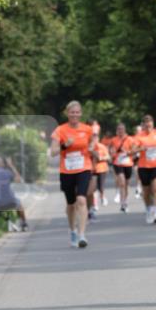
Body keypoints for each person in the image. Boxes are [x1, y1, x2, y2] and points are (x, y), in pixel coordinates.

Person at [49, 101, 96, 248]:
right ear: (67, 113)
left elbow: (93, 143)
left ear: (81, 113)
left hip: (83, 168)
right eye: (72, 112)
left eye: (77, 112)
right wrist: (65, 145)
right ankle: (72, 230)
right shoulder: (60, 130)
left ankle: (82, 235)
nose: (74, 115)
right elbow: (53, 152)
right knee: (71, 204)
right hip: (67, 171)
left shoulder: (87, 129)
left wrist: (92, 148)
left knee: (81, 199)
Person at [136, 115, 156, 224]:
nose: (148, 126)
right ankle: (149, 210)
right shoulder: (139, 136)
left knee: (155, 188)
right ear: (143, 125)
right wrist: (141, 148)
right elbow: (133, 149)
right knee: (146, 192)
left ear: (153, 124)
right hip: (144, 166)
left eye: (150, 124)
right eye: (146, 124)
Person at [0, 155, 28, 229]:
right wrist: (11, 166)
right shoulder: (7, 172)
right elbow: (18, 180)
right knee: (19, 204)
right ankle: (24, 223)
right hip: (10, 202)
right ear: (3, 164)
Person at [109, 123, 134, 212]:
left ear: (125, 130)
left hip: (128, 163)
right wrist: (112, 153)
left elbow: (134, 151)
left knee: (126, 184)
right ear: (117, 130)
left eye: (122, 129)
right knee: (122, 182)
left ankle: (125, 200)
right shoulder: (113, 140)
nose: (120, 131)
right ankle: (122, 203)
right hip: (118, 163)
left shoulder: (130, 139)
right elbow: (111, 151)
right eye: (119, 129)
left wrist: (127, 152)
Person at [87, 136, 110, 217]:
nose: (94, 141)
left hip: (102, 169)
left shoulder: (101, 147)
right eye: (92, 139)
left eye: (95, 139)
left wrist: (101, 157)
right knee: (93, 189)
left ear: (98, 139)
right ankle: (95, 204)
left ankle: (102, 196)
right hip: (91, 170)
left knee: (101, 187)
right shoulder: (87, 147)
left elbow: (108, 157)